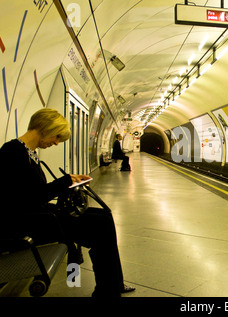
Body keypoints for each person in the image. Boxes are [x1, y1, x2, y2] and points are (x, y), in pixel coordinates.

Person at [0, 108, 135, 297]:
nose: (55, 143)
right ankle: (109, 289)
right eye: (56, 137)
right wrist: (64, 182)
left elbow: (31, 194)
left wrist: (69, 181)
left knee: (104, 216)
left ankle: (113, 284)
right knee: (100, 226)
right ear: (45, 128)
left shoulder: (27, 152)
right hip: (26, 223)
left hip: (37, 215)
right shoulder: (12, 152)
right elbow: (24, 200)